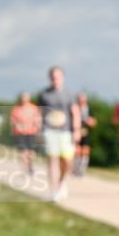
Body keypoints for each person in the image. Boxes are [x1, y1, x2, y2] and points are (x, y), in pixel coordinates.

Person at [37, 66, 81, 202]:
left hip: (65, 131)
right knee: (52, 160)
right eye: (53, 77)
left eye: (57, 77)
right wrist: (38, 130)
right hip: (49, 130)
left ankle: (62, 182)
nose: (55, 79)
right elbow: (39, 113)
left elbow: (75, 112)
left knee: (66, 161)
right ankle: (54, 190)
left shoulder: (69, 94)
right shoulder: (44, 94)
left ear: (62, 77)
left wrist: (77, 130)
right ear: (50, 78)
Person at [10, 92, 41, 175]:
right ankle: (23, 169)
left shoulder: (33, 108)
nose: (24, 99)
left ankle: (30, 166)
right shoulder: (16, 109)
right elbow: (13, 120)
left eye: (26, 97)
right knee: (23, 152)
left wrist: (38, 130)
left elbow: (38, 120)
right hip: (20, 133)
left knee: (31, 152)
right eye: (23, 97)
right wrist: (17, 126)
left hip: (31, 132)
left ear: (29, 98)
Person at [73, 93, 96, 176]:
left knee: (85, 152)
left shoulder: (89, 109)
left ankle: (81, 169)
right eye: (80, 99)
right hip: (76, 132)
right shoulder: (74, 108)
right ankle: (75, 169)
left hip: (86, 133)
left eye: (83, 99)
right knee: (77, 151)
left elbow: (94, 122)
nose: (81, 101)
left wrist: (89, 121)